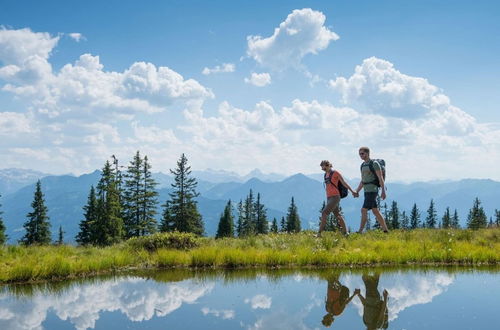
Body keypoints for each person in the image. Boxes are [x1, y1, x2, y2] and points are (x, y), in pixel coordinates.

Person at [353, 147, 389, 233]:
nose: (361, 155)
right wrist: (357, 190)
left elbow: (380, 178)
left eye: (362, 153)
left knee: (363, 210)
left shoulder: (374, 164)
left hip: (373, 190)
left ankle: (360, 231)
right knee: (375, 211)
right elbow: (363, 180)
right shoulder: (362, 165)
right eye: (360, 154)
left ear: (368, 153)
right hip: (366, 190)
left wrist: (383, 191)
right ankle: (385, 230)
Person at [318, 160, 356, 237]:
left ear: (329, 165)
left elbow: (344, 183)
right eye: (322, 168)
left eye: (324, 167)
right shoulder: (325, 175)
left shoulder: (335, 173)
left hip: (335, 197)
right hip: (329, 197)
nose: (323, 169)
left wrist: (352, 191)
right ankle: (346, 233)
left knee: (324, 213)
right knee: (337, 215)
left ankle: (319, 234)